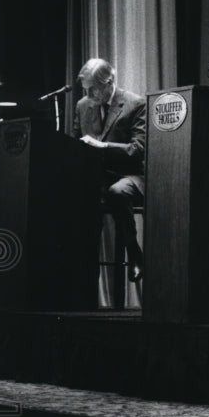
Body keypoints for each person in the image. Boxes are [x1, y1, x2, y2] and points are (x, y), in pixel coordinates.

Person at [73, 58, 146, 283]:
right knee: (73, 194)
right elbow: (75, 144)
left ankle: (135, 255)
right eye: (86, 89)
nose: (89, 94)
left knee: (117, 192)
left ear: (110, 82)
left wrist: (103, 146)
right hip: (97, 176)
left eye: (93, 89)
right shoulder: (82, 105)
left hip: (130, 174)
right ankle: (80, 270)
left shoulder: (136, 103)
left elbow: (138, 149)